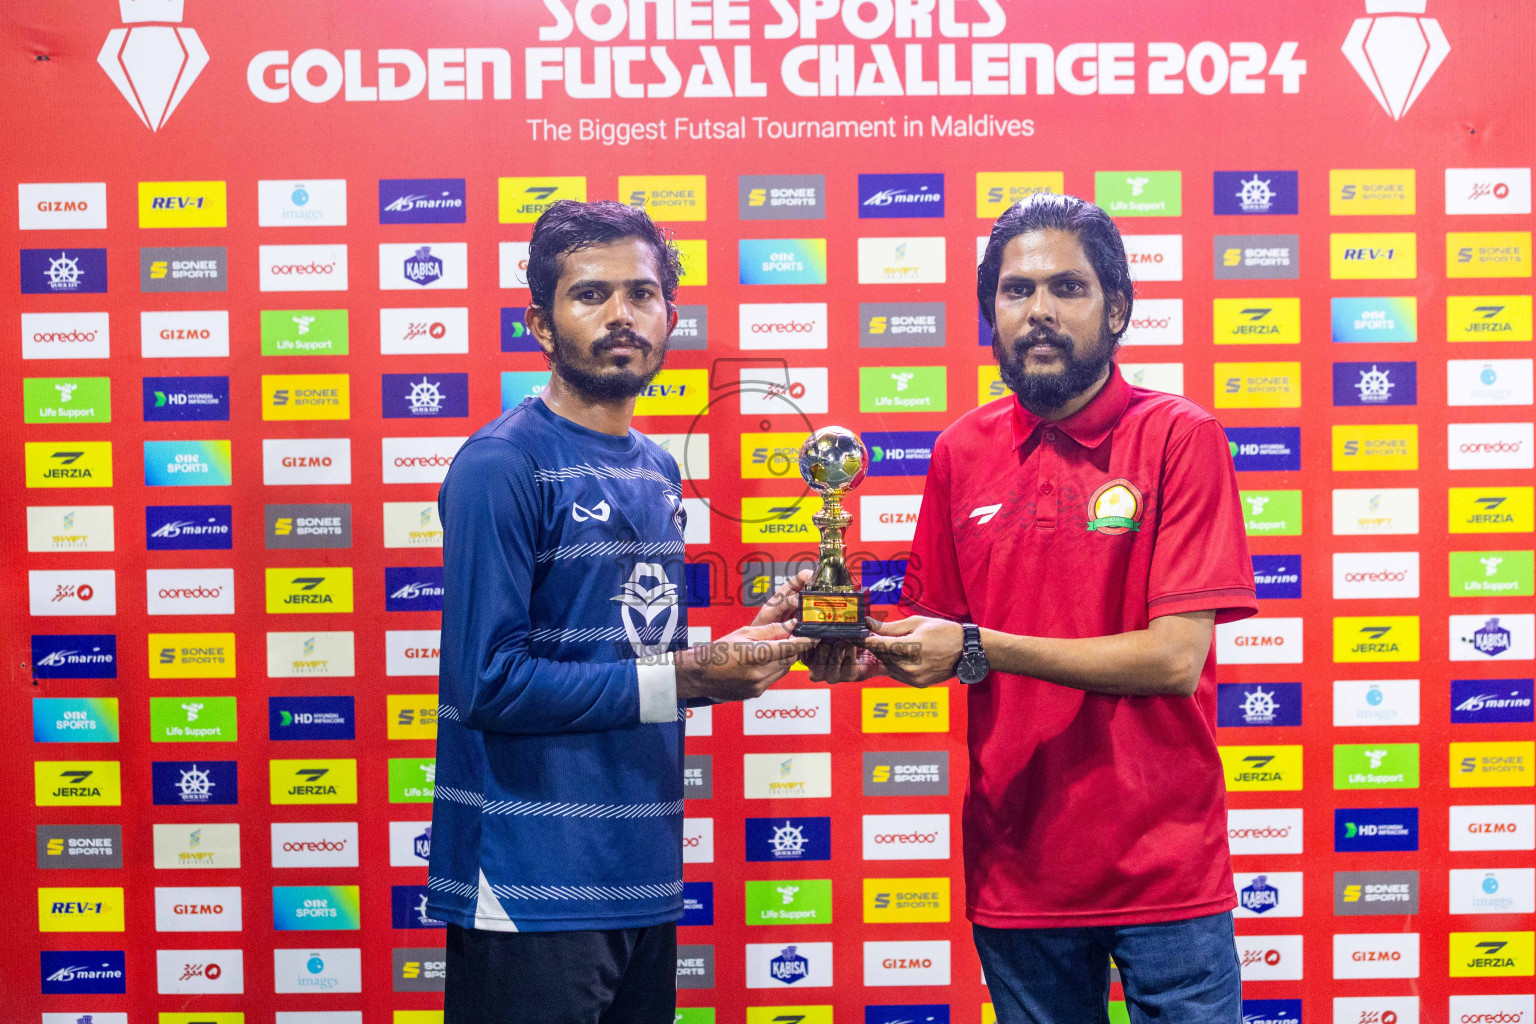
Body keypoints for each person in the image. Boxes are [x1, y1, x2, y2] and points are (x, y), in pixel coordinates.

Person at [857, 193, 1258, 1023]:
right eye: (1015, 290)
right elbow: (937, 640)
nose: (1038, 311)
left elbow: (1173, 659)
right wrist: (843, 644)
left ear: (1117, 309)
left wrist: (976, 644)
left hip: (1165, 870)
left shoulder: (1181, 437)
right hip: (1019, 867)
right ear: (989, 312)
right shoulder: (960, 452)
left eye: (1067, 288)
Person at [428, 199, 817, 1024]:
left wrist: (739, 650)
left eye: (641, 295)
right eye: (590, 294)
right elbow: (487, 684)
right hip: (529, 883)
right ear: (540, 321)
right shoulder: (502, 465)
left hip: (640, 876)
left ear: (669, 316)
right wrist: (685, 677)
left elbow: (636, 657)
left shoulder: (657, 472)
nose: (620, 315)